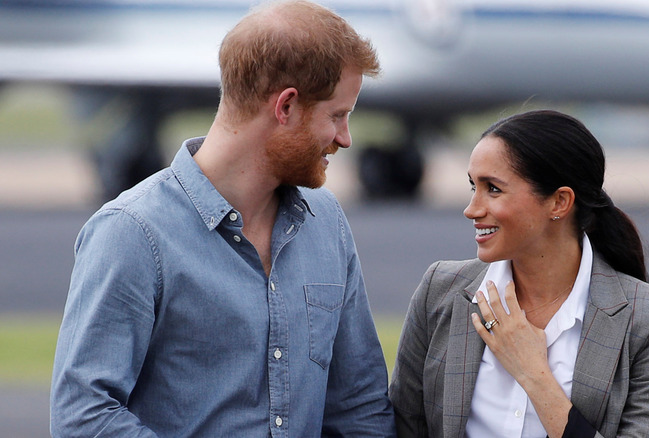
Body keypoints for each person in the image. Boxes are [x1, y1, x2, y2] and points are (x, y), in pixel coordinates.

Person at [50, 1, 396, 436]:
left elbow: (359, 408)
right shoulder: (132, 232)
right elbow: (84, 415)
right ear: (286, 106)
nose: (345, 138)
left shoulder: (326, 223)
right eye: (337, 116)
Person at [389, 110, 649, 438]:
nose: (472, 208)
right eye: (474, 186)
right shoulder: (441, 289)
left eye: (493, 189)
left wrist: (533, 373)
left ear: (559, 202)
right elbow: (402, 427)